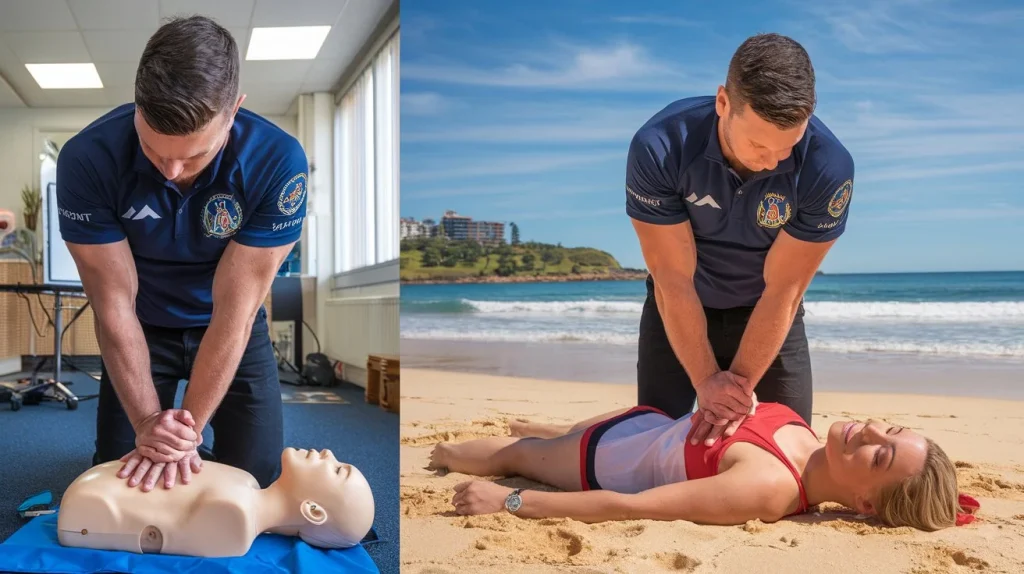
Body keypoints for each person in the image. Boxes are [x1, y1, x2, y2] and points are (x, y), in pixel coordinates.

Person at [56, 16, 307, 493]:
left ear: (235, 110)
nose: (171, 170)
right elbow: (113, 305)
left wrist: (183, 435)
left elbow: (234, 313)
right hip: (141, 323)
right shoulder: (86, 158)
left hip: (231, 322)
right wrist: (149, 421)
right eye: (153, 149)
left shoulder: (278, 162)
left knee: (255, 479)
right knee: (118, 473)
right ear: (137, 104)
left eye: (194, 156)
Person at [625, 32, 855, 446]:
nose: (771, 162)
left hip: (767, 312)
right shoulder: (660, 146)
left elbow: (784, 289)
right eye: (757, 144)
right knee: (649, 443)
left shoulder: (828, 167)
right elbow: (672, 277)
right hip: (679, 303)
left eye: (787, 147)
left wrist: (732, 391)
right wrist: (705, 380)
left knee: (789, 451)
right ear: (723, 103)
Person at [428, 401, 981, 531]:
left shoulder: (766, 490)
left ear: (864, 503)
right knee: (554, 430)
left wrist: (509, 499)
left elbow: (630, 507)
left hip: (602, 459)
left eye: (880, 453)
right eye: (893, 429)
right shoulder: (807, 435)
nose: (872, 430)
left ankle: (443, 451)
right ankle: (550, 429)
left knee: (513, 454)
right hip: (648, 423)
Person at [57, 448, 374, 557]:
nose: (329, 454)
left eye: (337, 470)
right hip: (95, 493)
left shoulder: (234, 518)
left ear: (313, 511)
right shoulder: (246, 482)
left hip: (93, 503)